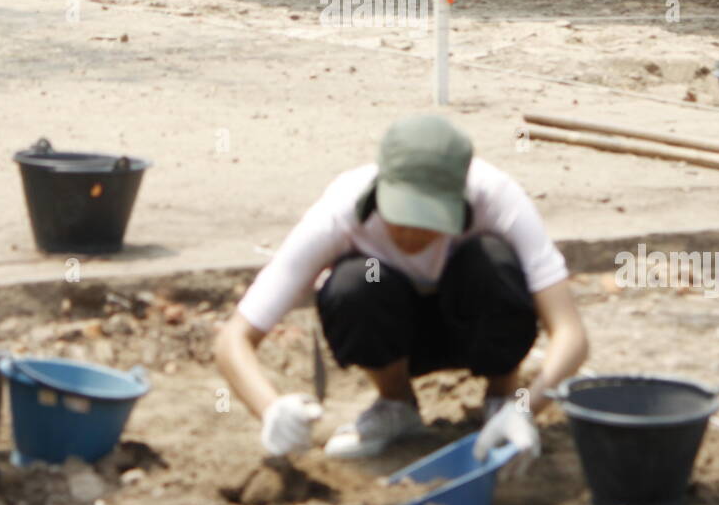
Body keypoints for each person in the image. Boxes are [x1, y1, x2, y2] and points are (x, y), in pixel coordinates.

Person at [215, 113, 587, 461]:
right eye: (401, 217)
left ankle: (500, 399)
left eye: (430, 221)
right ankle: (397, 404)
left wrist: (525, 409)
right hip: (393, 336)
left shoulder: (496, 197)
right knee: (357, 280)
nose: (413, 234)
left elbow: (570, 333)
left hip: (476, 325)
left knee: (489, 258)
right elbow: (234, 338)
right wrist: (271, 410)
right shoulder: (340, 211)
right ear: (380, 190)